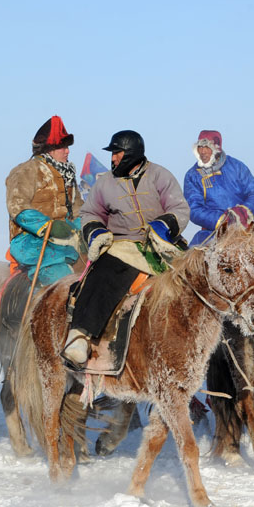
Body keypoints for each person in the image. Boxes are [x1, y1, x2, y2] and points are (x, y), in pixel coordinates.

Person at [61, 130, 190, 365]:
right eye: (113, 154)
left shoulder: (160, 175)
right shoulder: (105, 183)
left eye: (117, 153)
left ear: (131, 153)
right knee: (102, 275)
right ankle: (79, 336)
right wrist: (96, 231)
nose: (113, 158)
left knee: (196, 278)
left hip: (163, 245)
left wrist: (163, 226)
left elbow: (179, 208)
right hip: (123, 244)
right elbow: (90, 213)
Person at [4, 116, 83, 286]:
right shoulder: (26, 170)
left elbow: (78, 210)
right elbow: (17, 207)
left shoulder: (68, 175)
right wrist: (49, 226)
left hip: (66, 241)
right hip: (31, 241)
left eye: (67, 146)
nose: (67, 151)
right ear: (49, 149)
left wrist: (83, 228)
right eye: (62, 146)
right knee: (62, 279)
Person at [183, 130, 254, 246]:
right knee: (190, 261)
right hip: (210, 234)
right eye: (200, 147)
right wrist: (222, 220)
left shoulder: (237, 167)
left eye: (206, 147)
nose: (202, 151)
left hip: (243, 230)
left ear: (216, 148)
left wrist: (242, 212)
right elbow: (193, 209)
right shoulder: (192, 175)